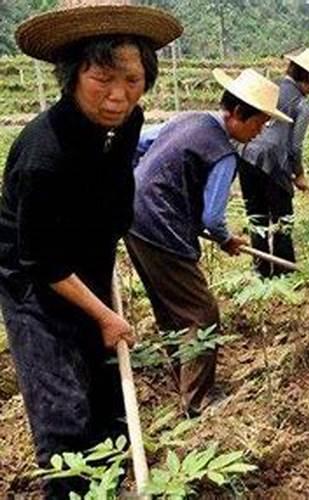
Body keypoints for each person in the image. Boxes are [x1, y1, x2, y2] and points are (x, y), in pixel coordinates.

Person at [0, 1, 181, 497]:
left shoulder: (126, 124)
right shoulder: (42, 154)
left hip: (89, 262)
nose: (118, 97)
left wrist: (105, 267)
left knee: (108, 396)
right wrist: (105, 315)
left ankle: (114, 481)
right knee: (63, 412)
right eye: (103, 78)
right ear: (73, 74)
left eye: (133, 80)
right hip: (35, 284)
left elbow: (115, 191)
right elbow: (42, 259)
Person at [126, 68, 291, 416]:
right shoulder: (223, 153)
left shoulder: (190, 118)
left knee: (170, 309)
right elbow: (213, 218)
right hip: (161, 226)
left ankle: (181, 380)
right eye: (259, 124)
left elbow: (139, 144)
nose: (259, 131)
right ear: (240, 114)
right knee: (203, 313)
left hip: (131, 216)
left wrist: (144, 184)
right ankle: (197, 402)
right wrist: (227, 239)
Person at [238, 47, 309, 278]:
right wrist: (299, 175)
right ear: (308, 79)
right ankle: (284, 272)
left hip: (246, 155)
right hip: (274, 163)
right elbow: (295, 146)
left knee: (256, 216)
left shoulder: (269, 87)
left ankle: (260, 270)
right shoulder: (301, 104)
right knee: (282, 219)